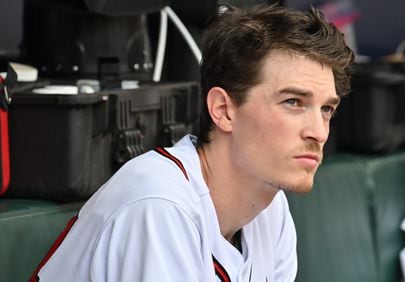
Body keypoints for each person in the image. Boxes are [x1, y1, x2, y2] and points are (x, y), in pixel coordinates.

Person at [31, 4, 354, 282]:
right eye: (293, 102)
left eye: (326, 108)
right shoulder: (158, 203)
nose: (318, 132)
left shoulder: (270, 207)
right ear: (224, 110)